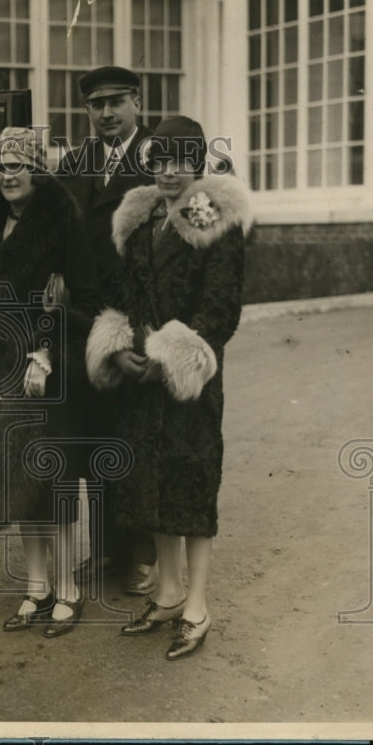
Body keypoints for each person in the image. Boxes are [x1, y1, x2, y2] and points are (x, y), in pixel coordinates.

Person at [85, 115, 251, 659]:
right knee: (151, 486)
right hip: (143, 382)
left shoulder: (214, 218)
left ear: (198, 162)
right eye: (158, 160)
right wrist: (125, 348)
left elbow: (221, 309)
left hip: (188, 384)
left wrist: (169, 358)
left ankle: (198, 606)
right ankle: (168, 592)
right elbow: (130, 293)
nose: (169, 172)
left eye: (180, 160)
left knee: (192, 486)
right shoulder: (142, 218)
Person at [0, 126, 101, 638]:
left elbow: (87, 300)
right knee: (15, 478)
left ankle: (68, 590)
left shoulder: (63, 220)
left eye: (18, 165)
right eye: (1, 166)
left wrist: (48, 350)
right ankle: (37, 587)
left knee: (55, 479)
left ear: (38, 169)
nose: (8, 175)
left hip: (47, 371)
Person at [56, 65, 160, 596]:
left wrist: (136, 335)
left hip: (142, 320)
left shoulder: (158, 159)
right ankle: (106, 551)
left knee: (135, 440)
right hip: (88, 321)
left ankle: (141, 554)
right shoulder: (77, 164)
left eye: (116, 102)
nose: (106, 114)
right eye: (97, 105)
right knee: (97, 438)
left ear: (137, 102)